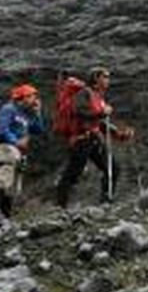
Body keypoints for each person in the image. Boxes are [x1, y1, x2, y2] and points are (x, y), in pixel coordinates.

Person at [56, 67, 134, 208]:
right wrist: (102, 113)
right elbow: (79, 111)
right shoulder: (84, 93)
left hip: (93, 138)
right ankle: (60, 206)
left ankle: (106, 201)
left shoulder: (97, 96)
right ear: (96, 78)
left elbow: (100, 122)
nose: (108, 80)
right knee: (73, 173)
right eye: (105, 76)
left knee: (113, 168)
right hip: (81, 139)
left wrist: (118, 134)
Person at [0, 84, 44, 217]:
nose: (34, 99)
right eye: (31, 96)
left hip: (20, 152)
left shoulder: (27, 114)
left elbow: (39, 129)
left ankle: (4, 216)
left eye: (35, 96)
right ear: (22, 97)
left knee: (13, 187)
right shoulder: (9, 109)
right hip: (7, 148)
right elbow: (3, 130)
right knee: (2, 178)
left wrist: (38, 112)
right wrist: (15, 141)